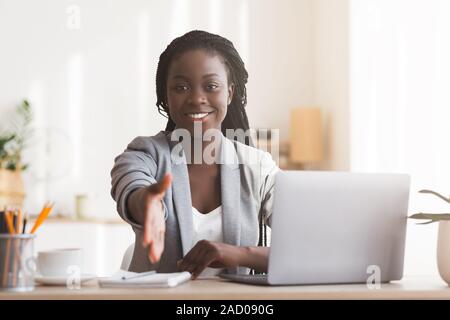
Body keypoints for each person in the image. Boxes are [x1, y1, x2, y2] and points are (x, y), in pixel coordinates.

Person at [110, 30, 279, 279]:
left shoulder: (258, 168)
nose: (197, 98)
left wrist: (239, 253)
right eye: (181, 87)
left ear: (229, 93)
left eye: (211, 86)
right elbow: (131, 184)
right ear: (166, 96)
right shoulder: (145, 154)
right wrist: (148, 204)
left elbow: (302, 249)